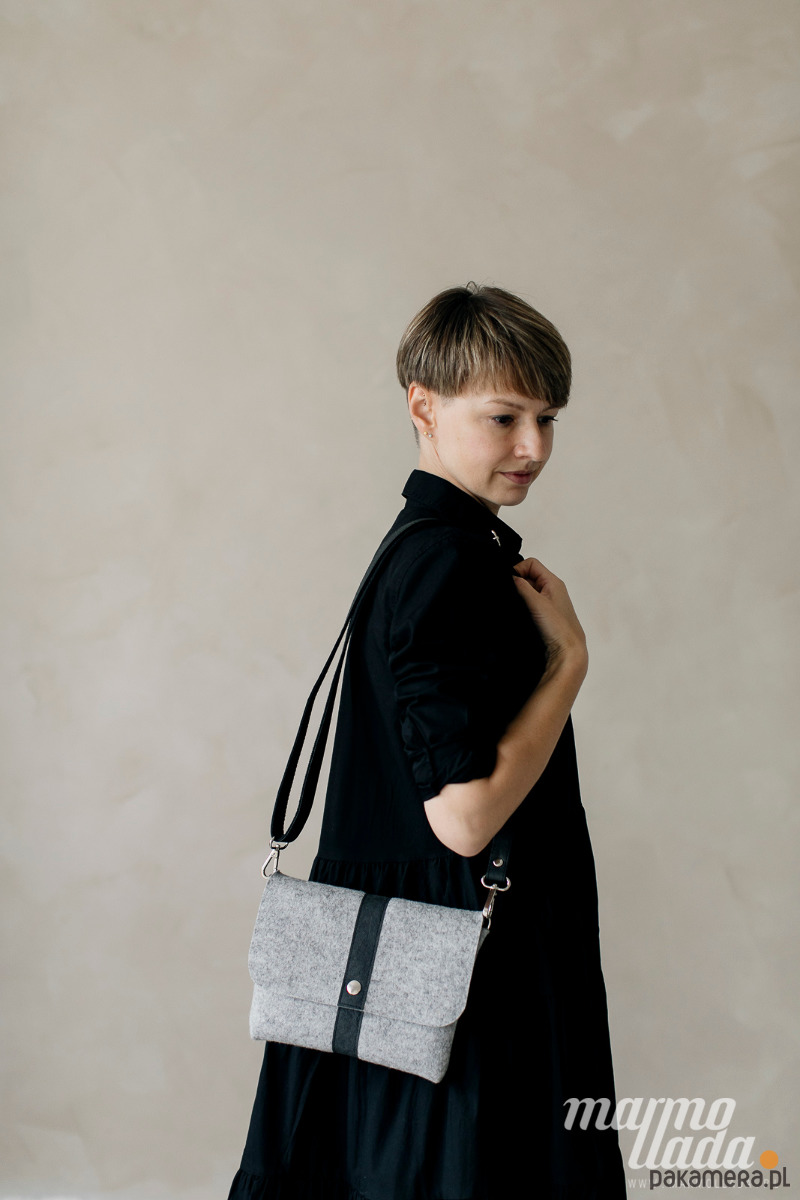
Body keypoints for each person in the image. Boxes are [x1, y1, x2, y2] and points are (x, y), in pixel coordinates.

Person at [227, 283, 626, 1198]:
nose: (534, 447)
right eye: (504, 417)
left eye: (548, 419)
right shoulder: (448, 559)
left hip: (410, 972)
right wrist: (568, 662)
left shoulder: (425, 545)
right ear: (424, 406)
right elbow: (464, 819)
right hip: (460, 984)